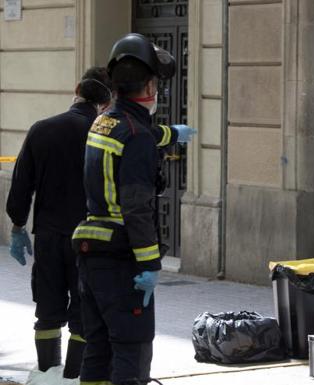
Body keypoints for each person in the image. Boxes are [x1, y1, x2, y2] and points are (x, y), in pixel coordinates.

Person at [72, 33, 196, 385]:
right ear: (151, 85)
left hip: (91, 254)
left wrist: (171, 133)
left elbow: (139, 135)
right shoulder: (136, 134)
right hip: (121, 259)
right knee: (131, 347)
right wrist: (150, 263)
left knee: (97, 348)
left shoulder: (105, 121)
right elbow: (137, 207)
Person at [6, 67, 113, 380]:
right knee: (83, 313)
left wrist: (17, 226)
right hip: (89, 240)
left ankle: (45, 375)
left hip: (49, 237)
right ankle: (71, 377)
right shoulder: (103, 135)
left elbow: (21, 183)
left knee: (48, 310)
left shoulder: (42, 129)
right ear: (106, 102)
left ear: (77, 88)